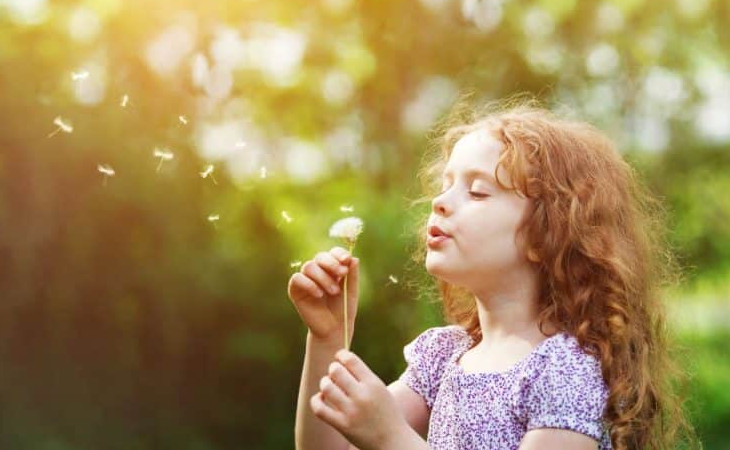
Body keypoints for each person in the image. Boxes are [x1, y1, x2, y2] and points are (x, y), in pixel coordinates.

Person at [288, 95, 698, 450]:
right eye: (445, 184)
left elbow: (387, 439)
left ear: (545, 234)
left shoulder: (565, 373)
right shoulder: (444, 358)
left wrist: (392, 438)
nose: (441, 202)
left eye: (478, 191)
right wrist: (327, 338)